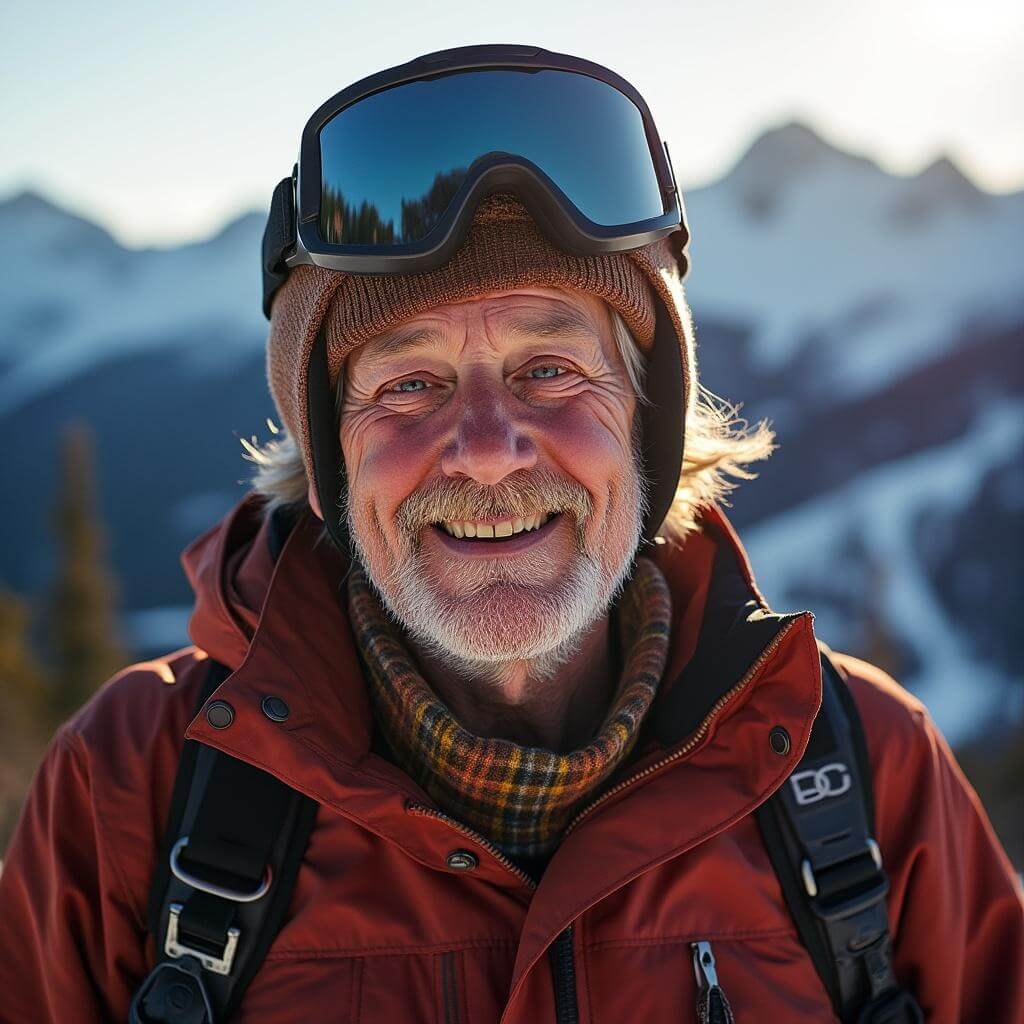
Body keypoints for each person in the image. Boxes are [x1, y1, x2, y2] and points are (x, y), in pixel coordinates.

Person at [1, 44, 1021, 1024]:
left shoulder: (860, 771)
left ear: (647, 424)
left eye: (550, 369)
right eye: (409, 383)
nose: (487, 451)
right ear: (327, 457)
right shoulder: (135, 782)